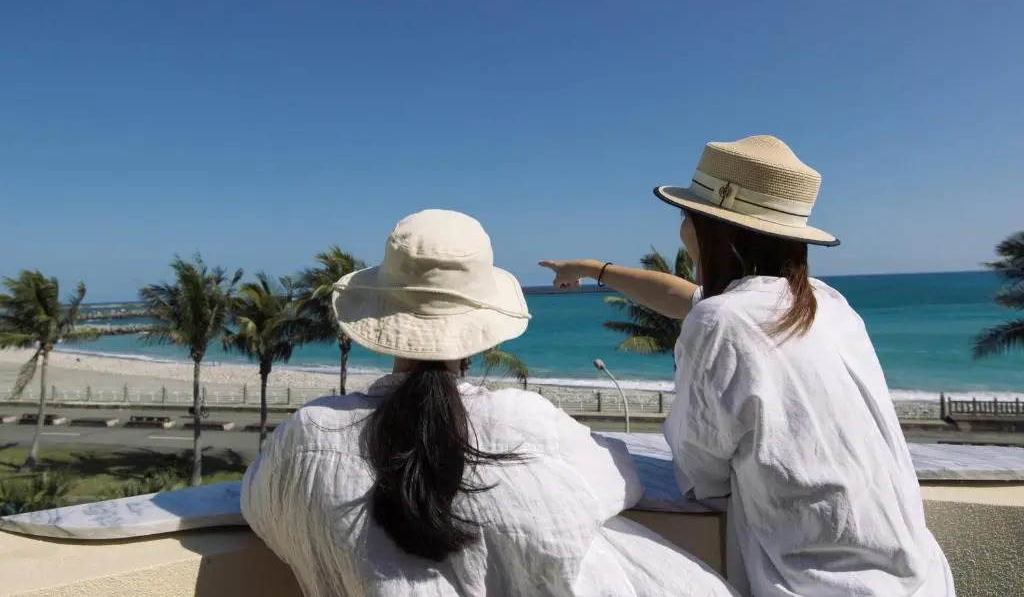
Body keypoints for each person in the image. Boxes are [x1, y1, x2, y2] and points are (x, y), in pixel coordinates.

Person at [242, 209, 735, 596]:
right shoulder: (526, 423)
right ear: (481, 328)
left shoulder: (309, 434)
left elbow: (261, 508)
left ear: (383, 316)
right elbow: (620, 479)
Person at [542, 135, 955, 596]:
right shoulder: (826, 303)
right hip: (923, 580)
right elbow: (684, 296)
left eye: (686, 217)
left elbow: (700, 476)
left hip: (821, 587)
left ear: (713, 230)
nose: (682, 230)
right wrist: (594, 269)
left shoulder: (721, 321)